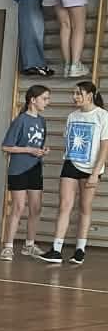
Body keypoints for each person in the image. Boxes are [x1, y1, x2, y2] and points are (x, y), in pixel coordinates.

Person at [39, 78, 108, 266]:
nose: (75, 97)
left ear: (90, 95)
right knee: (64, 205)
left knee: (85, 207)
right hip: (70, 163)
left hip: (91, 168)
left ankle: (80, 250)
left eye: (79, 93)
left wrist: (95, 173)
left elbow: (104, 147)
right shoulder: (72, 116)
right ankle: (56, 249)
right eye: (74, 93)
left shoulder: (102, 116)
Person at [0, 82, 51, 260]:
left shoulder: (42, 121)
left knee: (36, 208)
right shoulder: (20, 120)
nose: (47, 102)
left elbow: (38, 144)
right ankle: (8, 247)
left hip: (35, 169)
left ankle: (29, 245)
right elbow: (6, 147)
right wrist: (28, 150)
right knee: (18, 207)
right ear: (33, 100)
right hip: (18, 170)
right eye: (44, 98)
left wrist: (42, 150)